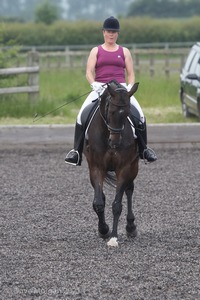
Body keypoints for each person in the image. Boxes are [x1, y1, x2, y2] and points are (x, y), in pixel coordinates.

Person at [65, 16, 157, 166]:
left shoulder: (124, 51)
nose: (111, 34)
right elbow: (88, 71)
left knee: (139, 115)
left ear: (118, 34)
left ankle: (144, 149)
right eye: (109, 31)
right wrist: (94, 84)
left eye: (114, 32)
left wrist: (128, 86)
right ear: (103, 32)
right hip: (100, 87)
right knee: (81, 115)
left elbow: (131, 73)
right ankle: (75, 151)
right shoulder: (96, 50)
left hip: (121, 89)